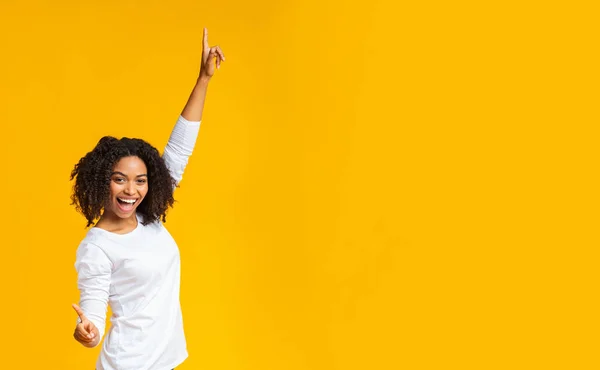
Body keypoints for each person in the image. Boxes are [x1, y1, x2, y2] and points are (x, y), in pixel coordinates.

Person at [70, 28, 225, 370]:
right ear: (102, 183)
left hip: (164, 361)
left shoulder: (149, 217)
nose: (131, 191)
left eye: (140, 181)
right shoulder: (97, 247)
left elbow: (180, 148)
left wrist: (203, 79)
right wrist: (88, 332)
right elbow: (92, 309)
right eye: (119, 180)